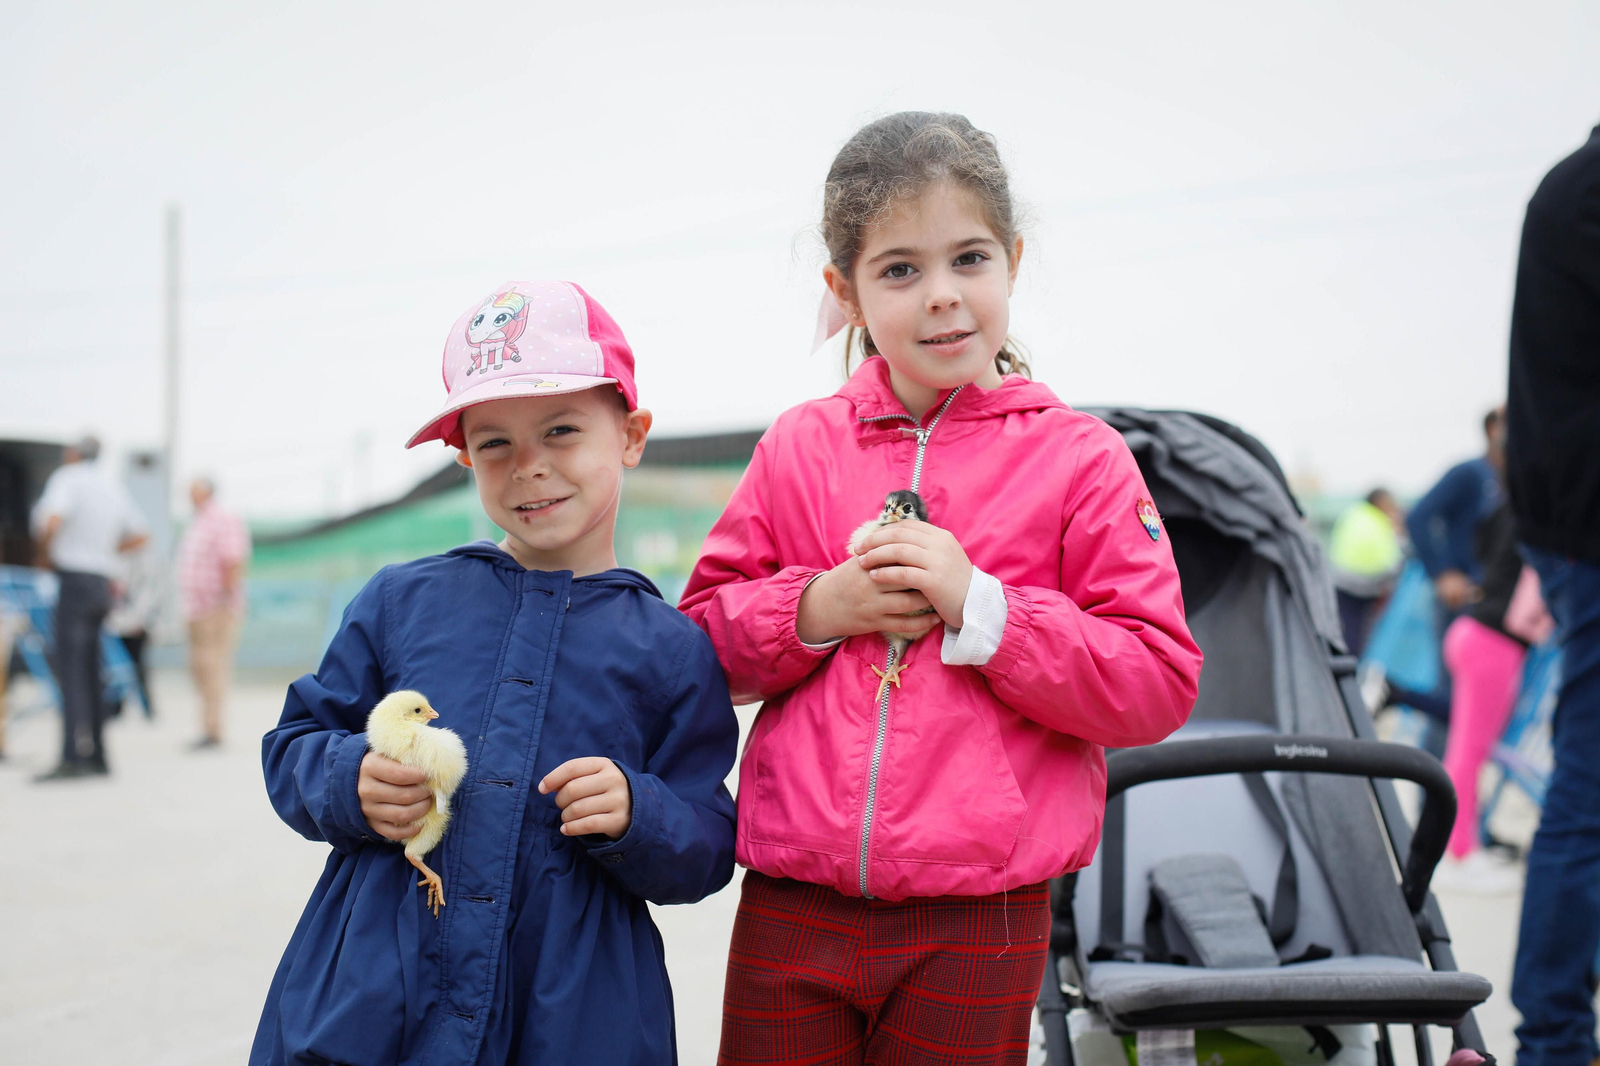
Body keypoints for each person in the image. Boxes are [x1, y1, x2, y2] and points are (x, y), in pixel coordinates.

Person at [681, 112, 1203, 1065]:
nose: (942, 296)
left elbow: (1156, 679)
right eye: (899, 270)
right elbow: (698, 649)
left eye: (969, 258)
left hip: (982, 914)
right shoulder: (798, 446)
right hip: (794, 899)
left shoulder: (1080, 459)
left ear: (1012, 259)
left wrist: (987, 610)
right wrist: (817, 609)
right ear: (845, 291)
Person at [251, 280, 739, 1066]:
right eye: (495, 444)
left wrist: (638, 812)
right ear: (464, 458)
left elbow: (709, 842)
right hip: (376, 1001)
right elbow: (295, 742)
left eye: (561, 430)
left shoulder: (671, 647)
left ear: (632, 435)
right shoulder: (401, 602)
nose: (528, 467)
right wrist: (349, 778)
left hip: (572, 1017)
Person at [1506, 122, 1600, 1066]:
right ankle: (1558, 1039)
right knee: (1590, 787)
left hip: (1571, 532)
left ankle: (1558, 1033)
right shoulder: (1588, 192)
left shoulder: (1572, 188)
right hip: (1588, 532)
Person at [1432, 500, 1539, 895]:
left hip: (1474, 629)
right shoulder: (1532, 511)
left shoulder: (1504, 505)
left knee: (1464, 750)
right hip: (1494, 641)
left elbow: (1478, 542)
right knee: (1468, 753)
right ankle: (1459, 853)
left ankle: (1459, 847)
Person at [29, 436, 148, 780]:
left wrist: (45, 555)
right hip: (100, 584)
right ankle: (98, 756)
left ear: (72, 453)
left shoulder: (67, 479)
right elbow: (142, 535)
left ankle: (72, 757)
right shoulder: (111, 487)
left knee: (70, 671)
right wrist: (105, 552)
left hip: (74, 582)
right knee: (94, 672)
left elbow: (52, 520)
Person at [176, 477, 250, 747]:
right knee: (201, 670)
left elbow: (233, 560)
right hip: (197, 608)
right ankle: (207, 726)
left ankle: (212, 729)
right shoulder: (198, 520)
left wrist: (226, 600)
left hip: (215, 607)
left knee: (213, 668)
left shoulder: (222, 518)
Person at [1328, 487, 1405, 656]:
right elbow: (1393, 558)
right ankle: (1357, 658)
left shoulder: (1351, 514)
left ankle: (1345, 657)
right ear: (1380, 502)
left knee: (1347, 624)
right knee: (1367, 628)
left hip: (1341, 579)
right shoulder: (1382, 521)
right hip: (1371, 583)